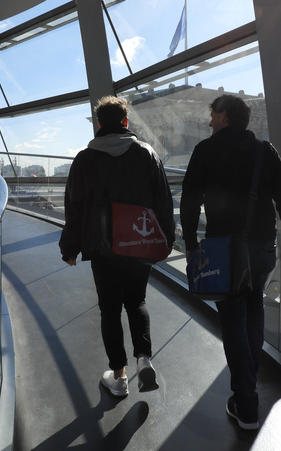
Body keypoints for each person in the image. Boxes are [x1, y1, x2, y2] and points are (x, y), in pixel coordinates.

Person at [181, 94, 281, 430]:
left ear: (223, 115)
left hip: (223, 249)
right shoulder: (266, 151)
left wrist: (191, 243)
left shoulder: (205, 152)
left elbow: (190, 201)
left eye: (212, 115)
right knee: (254, 309)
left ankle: (247, 402)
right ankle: (248, 382)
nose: (209, 122)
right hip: (262, 247)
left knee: (233, 322)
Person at [59, 96, 175, 397]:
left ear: (99, 124)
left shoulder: (85, 159)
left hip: (102, 247)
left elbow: (74, 207)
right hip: (140, 241)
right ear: (126, 122)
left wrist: (69, 247)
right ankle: (143, 358)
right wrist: (167, 239)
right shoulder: (147, 153)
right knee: (136, 301)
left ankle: (120, 376)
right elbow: (163, 201)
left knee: (110, 310)